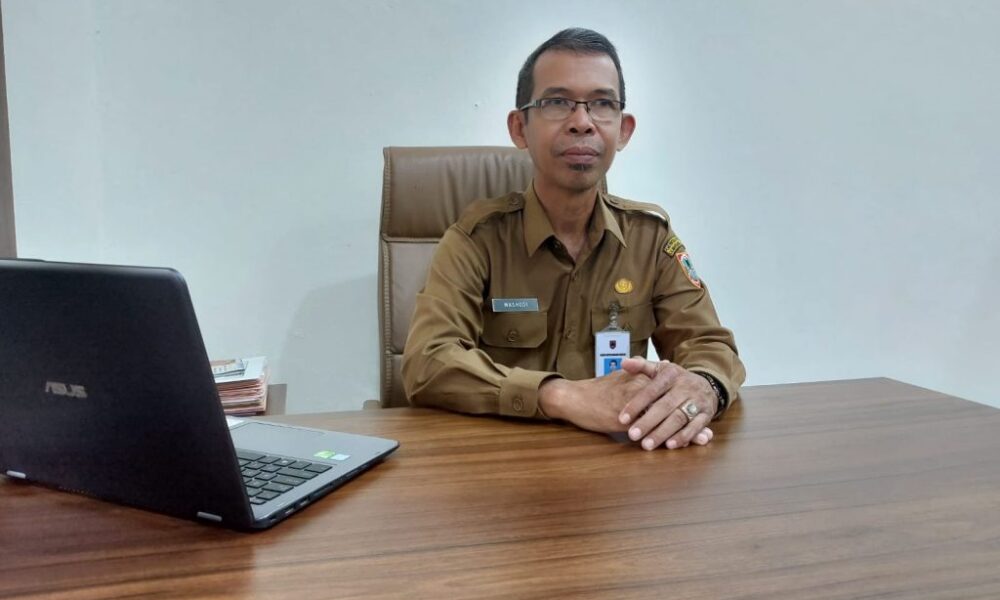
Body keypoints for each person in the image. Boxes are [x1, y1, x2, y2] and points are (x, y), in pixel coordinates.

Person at [402, 28, 745, 451]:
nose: (582, 122)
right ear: (519, 128)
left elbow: (708, 344)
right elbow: (427, 362)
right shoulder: (476, 240)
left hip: (619, 465)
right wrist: (562, 396)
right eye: (557, 102)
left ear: (624, 130)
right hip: (500, 463)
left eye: (602, 104)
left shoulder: (650, 238)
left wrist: (703, 387)